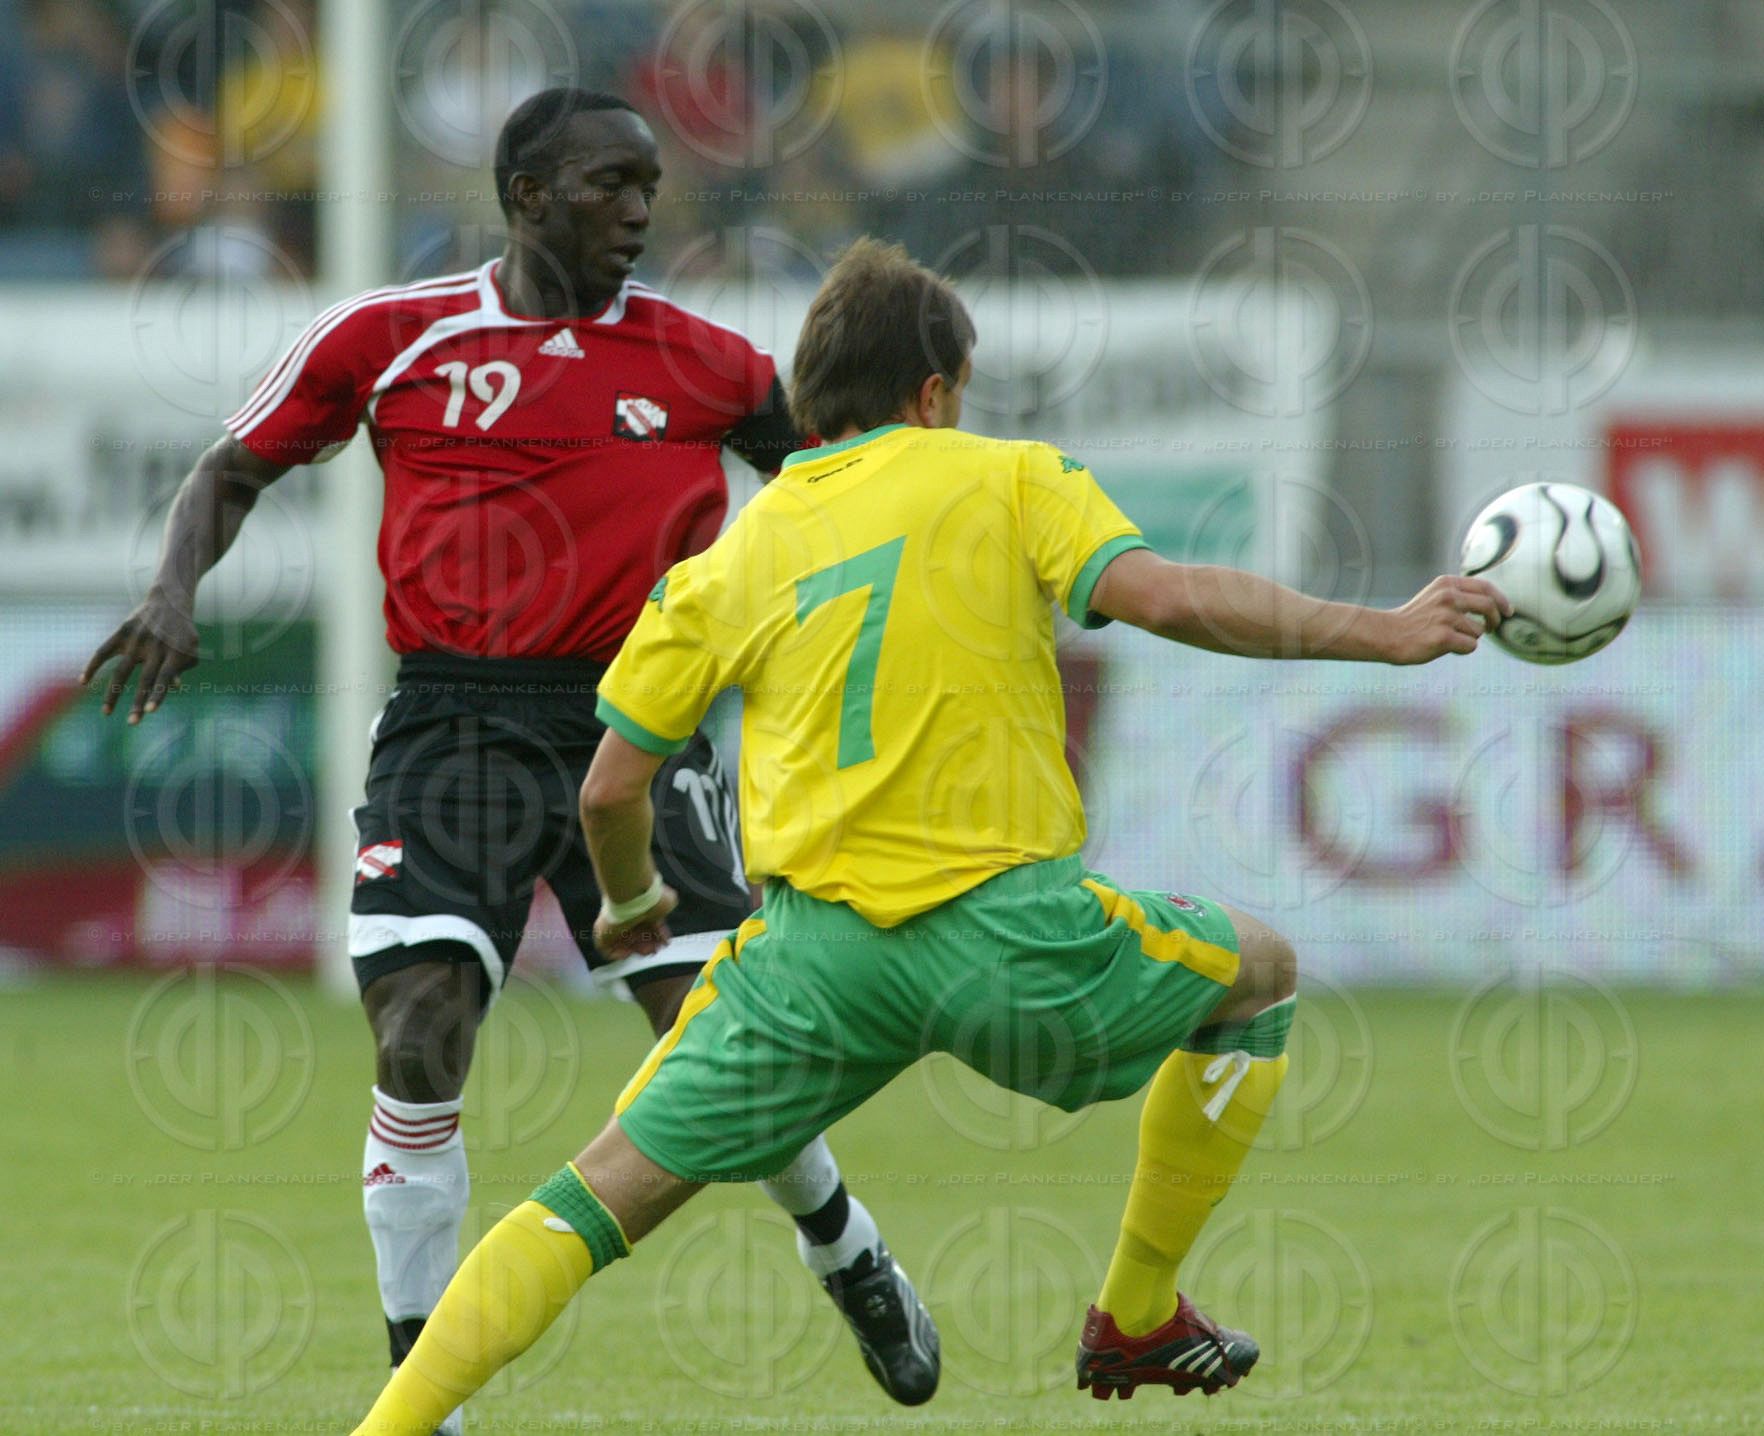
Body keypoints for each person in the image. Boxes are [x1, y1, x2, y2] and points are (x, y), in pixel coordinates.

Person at [340, 235, 1511, 1431]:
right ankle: (1138, 1307)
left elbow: (607, 792)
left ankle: (384, 1427)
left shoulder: (739, 548)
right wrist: (1385, 628)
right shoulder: (1007, 476)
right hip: (1009, 938)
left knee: (592, 1197)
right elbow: (1166, 597)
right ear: (935, 390)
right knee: (1257, 974)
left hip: (810, 965)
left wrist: (633, 902)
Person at [81, 92, 939, 1432]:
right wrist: (175, 593)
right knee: (419, 1037)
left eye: (652, 186)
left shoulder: (711, 361)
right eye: (612, 184)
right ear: (530, 194)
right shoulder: (393, 336)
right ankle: (435, 1399)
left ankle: (843, 1243)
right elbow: (229, 470)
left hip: (636, 727)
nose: (642, 211)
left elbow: (833, 498)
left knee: (715, 1056)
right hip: (454, 723)